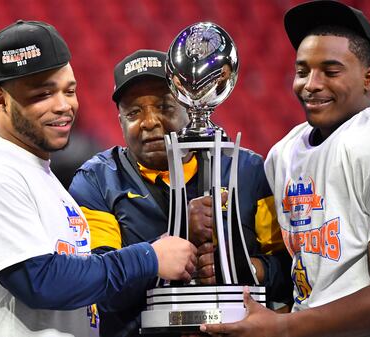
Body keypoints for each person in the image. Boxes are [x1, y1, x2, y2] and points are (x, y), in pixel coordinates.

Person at [201, 1, 370, 336]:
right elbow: (304, 279)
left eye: (330, 71)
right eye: (302, 70)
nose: (311, 84)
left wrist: (282, 328)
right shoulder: (283, 156)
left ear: (368, 79)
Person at [0, 21, 197, 337]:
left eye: (69, 90)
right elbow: (41, 281)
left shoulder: (38, 174)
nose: (63, 106)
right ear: (0, 99)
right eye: (43, 94)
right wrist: (149, 257)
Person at [68, 49, 293, 337]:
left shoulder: (246, 171)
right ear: (120, 120)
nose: (149, 121)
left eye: (164, 106)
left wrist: (247, 268)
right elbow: (102, 291)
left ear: (190, 106)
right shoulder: (97, 180)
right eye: (134, 112)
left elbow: (295, 272)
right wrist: (181, 232)